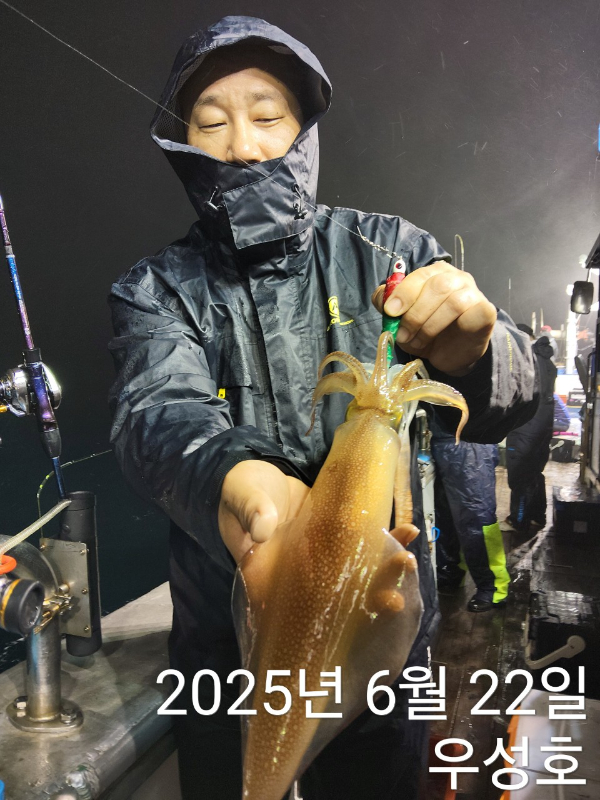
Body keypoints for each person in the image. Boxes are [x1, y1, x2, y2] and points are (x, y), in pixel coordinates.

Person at [108, 16, 536, 800]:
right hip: (223, 647)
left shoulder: (391, 252)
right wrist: (237, 482)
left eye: (268, 115)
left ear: (304, 129)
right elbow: (154, 412)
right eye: (211, 123)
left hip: (382, 631)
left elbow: (515, 385)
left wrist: (477, 350)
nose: (243, 145)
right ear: (182, 143)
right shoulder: (157, 290)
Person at [431, 420, 510, 613]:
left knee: (477, 518)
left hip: (471, 443)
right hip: (440, 439)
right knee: (444, 516)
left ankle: (493, 586)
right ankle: (451, 571)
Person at [501, 324, 556, 534]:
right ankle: (537, 516)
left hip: (525, 427)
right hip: (543, 426)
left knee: (520, 476)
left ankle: (518, 521)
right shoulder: (545, 359)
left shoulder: (525, 359)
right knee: (534, 472)